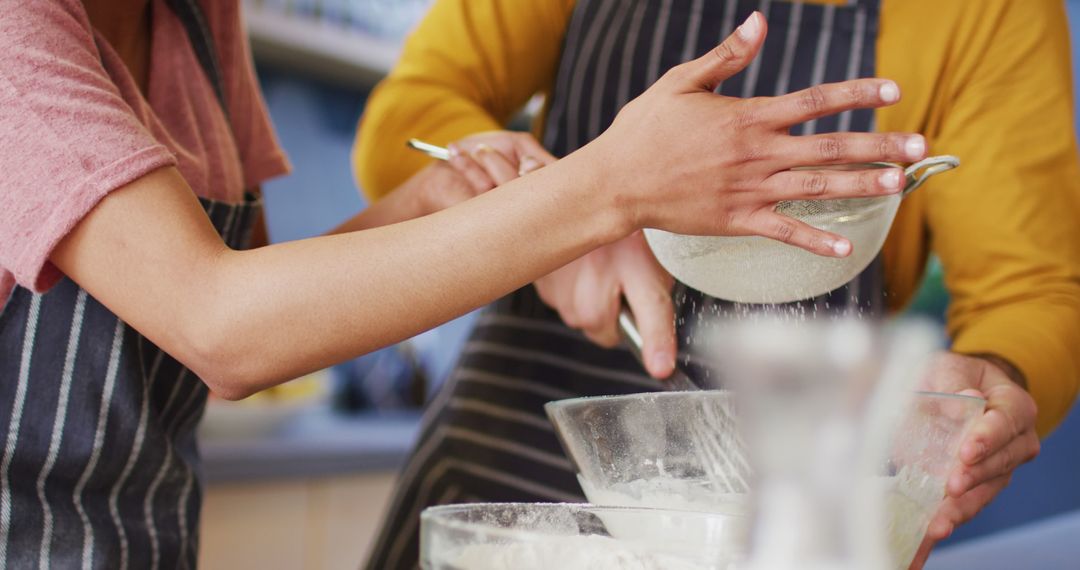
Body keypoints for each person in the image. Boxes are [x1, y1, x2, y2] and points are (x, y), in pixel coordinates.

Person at [0, 1, 922, 568]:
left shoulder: (198, 21)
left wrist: (428, 203)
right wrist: (605, 187)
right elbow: (220, 327)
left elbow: (244, 305)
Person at [354, 0, 1080, 568]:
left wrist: (994, 381)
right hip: (504, 492)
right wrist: (546, 222)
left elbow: (1033, 289)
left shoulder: (990, 11)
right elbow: (407, 117)